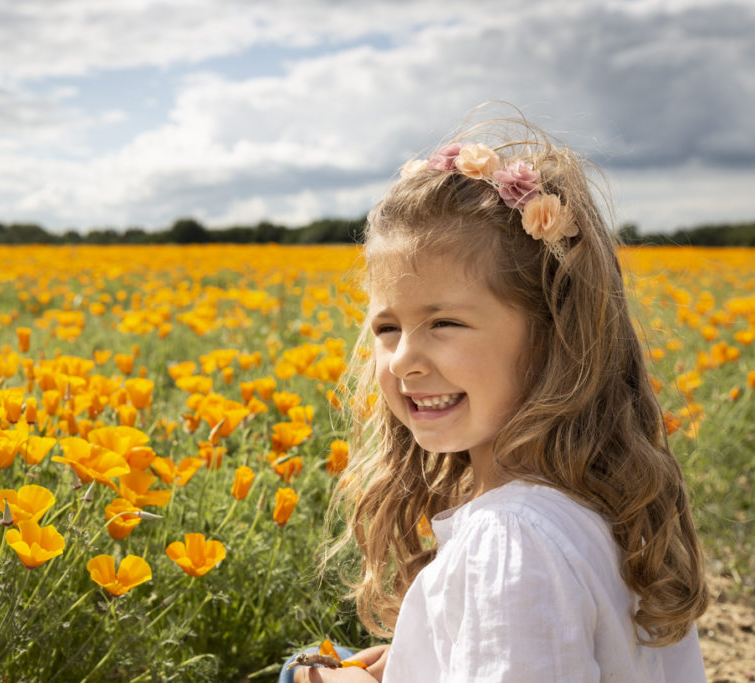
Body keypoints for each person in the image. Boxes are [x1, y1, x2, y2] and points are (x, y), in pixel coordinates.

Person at [288, 111, 709, 682]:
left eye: (446, 323)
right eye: (387, 329)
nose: (405, 358)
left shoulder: (510, 544)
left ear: (552, 335)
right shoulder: (597, 510)